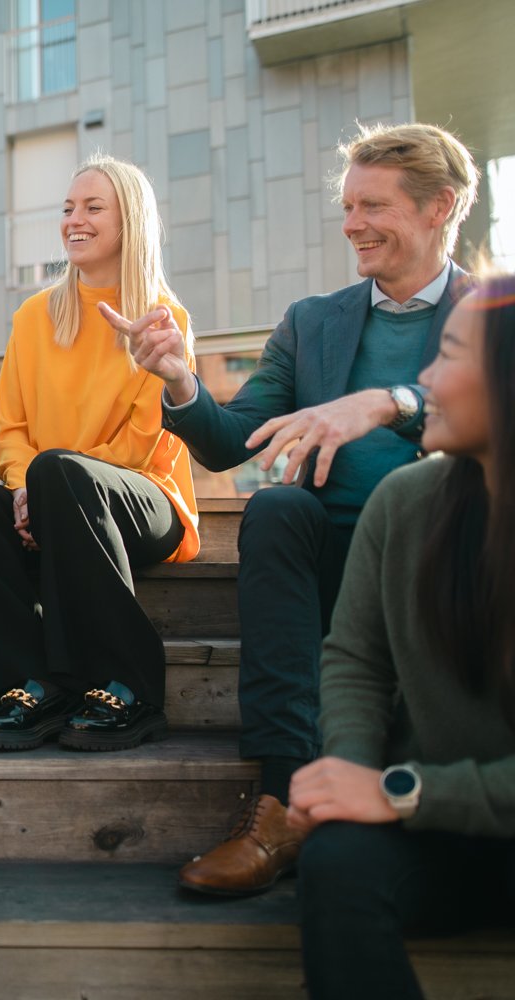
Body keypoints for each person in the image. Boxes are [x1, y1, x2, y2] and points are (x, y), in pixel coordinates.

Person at [105, 122, 479, 894]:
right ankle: (282, 796)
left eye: (372, 205)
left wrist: (395, 401)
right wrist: (179, 379)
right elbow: (229, 441)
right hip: (329, 553)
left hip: (451, 550)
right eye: (346, 206)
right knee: (276, 508)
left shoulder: (493, 312)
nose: (351, 225)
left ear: (439, 207)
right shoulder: (313, 321)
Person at [288, 273, 515, 999]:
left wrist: (400, 789)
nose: (424, 377)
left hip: (432, 797)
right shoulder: (407, 500)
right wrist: (345, 780)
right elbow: (355, 659)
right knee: (337, 863)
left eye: (449, 354)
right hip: (431, 834)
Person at [0, 155, 200, 752]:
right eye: (68, 208)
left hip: (145, 502)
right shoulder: (33, 318)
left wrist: (47, 489)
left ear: (129, 221)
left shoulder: (161, 317)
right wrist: (27, 491)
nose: (74, 219)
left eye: (93, 207)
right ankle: (27, 684)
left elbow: (141, 441)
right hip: (49, 493)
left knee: (58, 470)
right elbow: (9, 431)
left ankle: (128, 686)